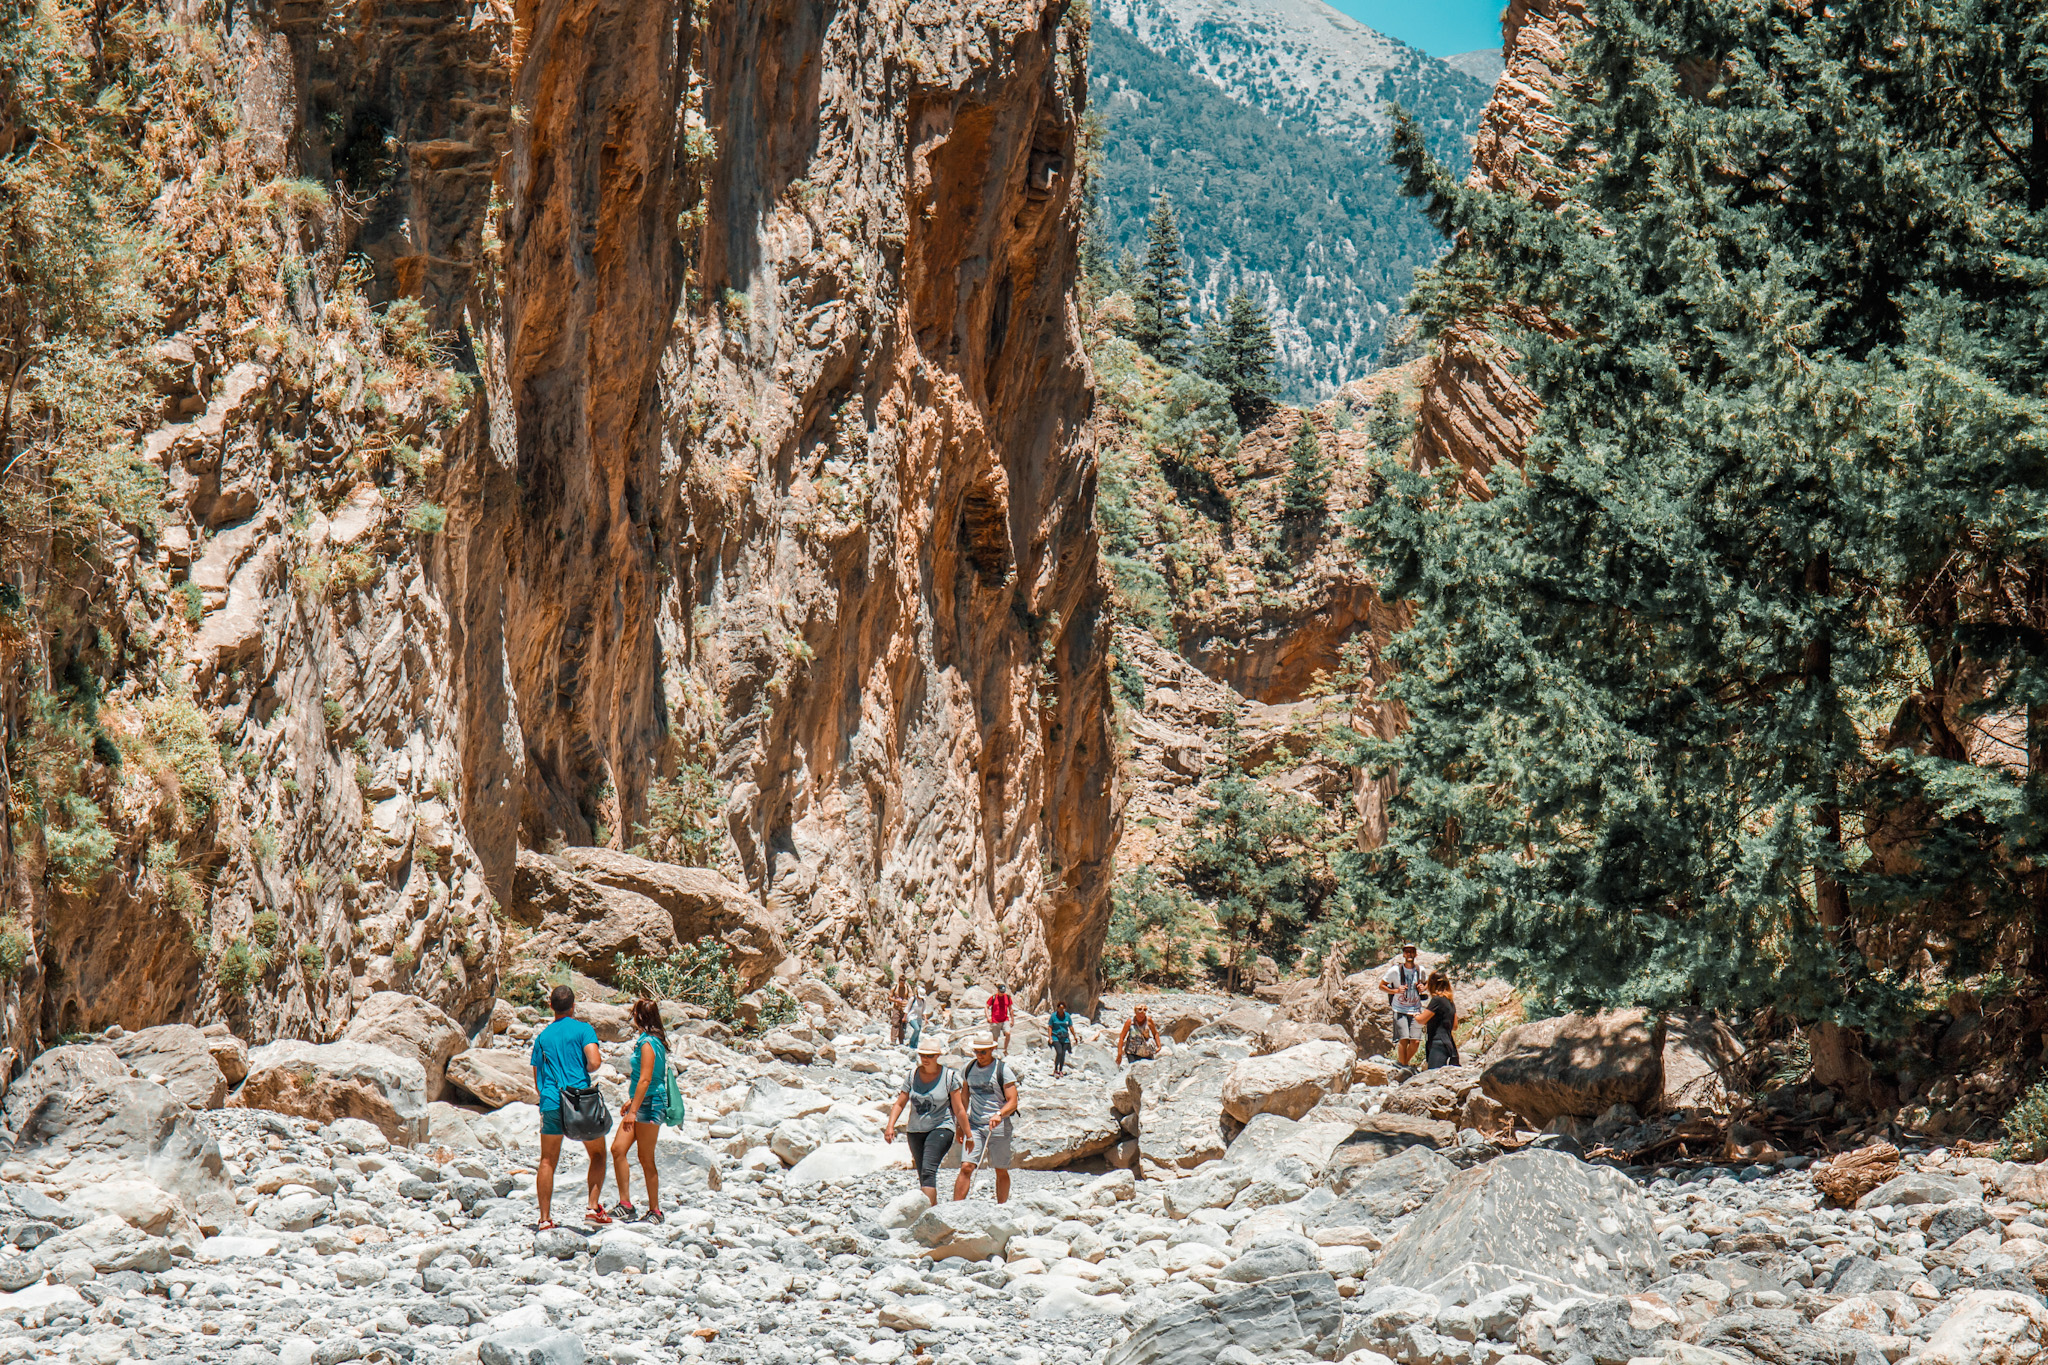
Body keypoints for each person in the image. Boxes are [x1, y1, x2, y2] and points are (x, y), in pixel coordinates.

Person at [529, 984, 607, 1230]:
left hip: (552, 1100)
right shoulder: (583, 1029)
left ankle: (544, 1219)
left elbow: (538, 1081)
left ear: (551, 1006)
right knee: (597, 1154)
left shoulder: (541, 1038)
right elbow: (594, 1062)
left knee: (547, 1161)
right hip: (579, 1100)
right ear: (574, 1006)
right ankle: (593, 1208)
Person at [883, 1038, 970, 1206]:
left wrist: (967, 1133)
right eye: (922, 1055)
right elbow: (900, 1102)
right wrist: (890, 1126)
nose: (925, 1058)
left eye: (929, 1055)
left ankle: (928, 1215)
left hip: (941, 1127)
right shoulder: (912, 1075)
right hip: (915, 1130)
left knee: (929, 1170)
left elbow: (959, 1108)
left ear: (937, 1056)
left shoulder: (949, 1077)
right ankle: (934, 1213)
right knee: (923, 1174)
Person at [608, 998, 669, 1223]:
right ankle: (626, 1204)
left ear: (639, 1017)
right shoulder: (650, 1041)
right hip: (641, 1101)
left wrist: (633, 1111)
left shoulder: (648, 1044)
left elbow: (645, 1079)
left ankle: (656, 1210)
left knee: (645, 1157)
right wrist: (632, 1102)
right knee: (617, 1149)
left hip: (651, 1104)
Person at [954, 1035, 1019, 1204]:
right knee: (966, 1166)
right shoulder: (968, 1068)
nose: (979, 1055)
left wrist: (999, 1114)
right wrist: (960, 1126)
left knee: (1000, 1169)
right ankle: (954, 1208)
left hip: (999, 1126)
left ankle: (1002, 1207)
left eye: (983, 1052)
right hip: (974, 1125)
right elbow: (964, 1098)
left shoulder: (1002, 1070)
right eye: (976, 1051)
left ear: (991, 1050)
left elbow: (1013, 1101)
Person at [1381, 943, 1425, 1069]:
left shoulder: (1420, 970)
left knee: (1415, 1041)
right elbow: (1382, 986)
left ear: (1415, 954)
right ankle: (1405, 1067)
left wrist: (1423, 987)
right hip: (1400, 1008)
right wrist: (1396, 991)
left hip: (1415, 1008)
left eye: (1412, 951)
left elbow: (1425, 984)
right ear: (1403, 954)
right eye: (1407, 952)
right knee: (1403, 1039)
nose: (1409, 954)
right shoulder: (1395, 970)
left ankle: (1403, 1063)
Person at [1419, 971, 1459, 1070]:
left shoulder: (1437, 1000)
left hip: (1437, 1044)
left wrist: (1414, 1013)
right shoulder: (1450, 1001)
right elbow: (1455, 1026)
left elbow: (1421, 1020)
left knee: (1433, 1076)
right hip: (1449, 1043)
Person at [1047, 999, 1074, 1079]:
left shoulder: (1067, 1016)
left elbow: (1070, 1026)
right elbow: (1050, 1027)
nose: (1061, 1010)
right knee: (1059, 1052)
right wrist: (1050, 1037)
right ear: (1057, 1008)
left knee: (1063, 1054)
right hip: (1055, 1037)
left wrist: (1075, 1036)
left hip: (1065, 1038)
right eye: (1060, 1008)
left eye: (1063, 1009)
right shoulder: (1053, 1016)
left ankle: (1061, 1070)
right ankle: (1055, 1069)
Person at [986, 983, 1014, 1053]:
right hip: (995, 1021)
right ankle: (995, 1052)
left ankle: (1005, 1049)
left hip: (1005, 1019)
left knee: (1008, 1033)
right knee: (995, 1038)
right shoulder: (993, 998)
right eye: (1001, 992)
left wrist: (1012, 1020)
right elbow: (986, 1007)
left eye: (1003, 992)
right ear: (998, 990)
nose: (1002, 993)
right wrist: (988, 1017)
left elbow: (1010, 1009)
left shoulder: (1007, 997)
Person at [888, 982, 909, 1046]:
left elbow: (911, 997)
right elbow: (889, 998)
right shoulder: (895, 988)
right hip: (896, 1007)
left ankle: (901, 1041)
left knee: (902, 1024)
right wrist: (896, 1001)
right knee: (895, 1023)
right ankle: (893, 1040)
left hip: (904, 1008)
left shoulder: (907, 988)